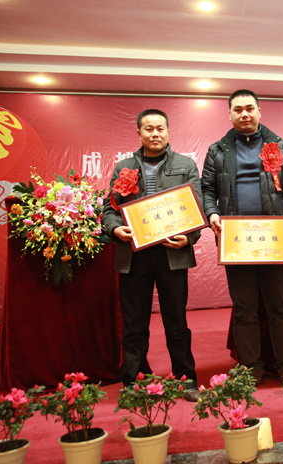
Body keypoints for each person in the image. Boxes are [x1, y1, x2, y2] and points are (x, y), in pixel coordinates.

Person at [201, 89, 283, 383]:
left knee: (280, 307)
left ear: (259, 111)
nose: (244, 114)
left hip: (273, 238)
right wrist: (212, 213)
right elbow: (207, 189)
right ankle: (251, 368)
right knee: (245, 309)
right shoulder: (218, 150)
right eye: (238, 110)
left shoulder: (281, 146)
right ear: (229, 114)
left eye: (249, 108)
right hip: (236, 239)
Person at [102, 109, 200, 401]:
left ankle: (186, 379)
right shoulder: (124, 167)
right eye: (148, 129)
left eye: (160, 128)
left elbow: (196, 208)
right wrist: (115, 229)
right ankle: (133, 381)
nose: (155, 134)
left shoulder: (185, 165)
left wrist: (189, 238)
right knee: (134, 323)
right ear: (139, 133)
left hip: (172, 253)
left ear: (168, 131)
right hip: (134, 255)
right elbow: (109, 209)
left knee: (176, 322)